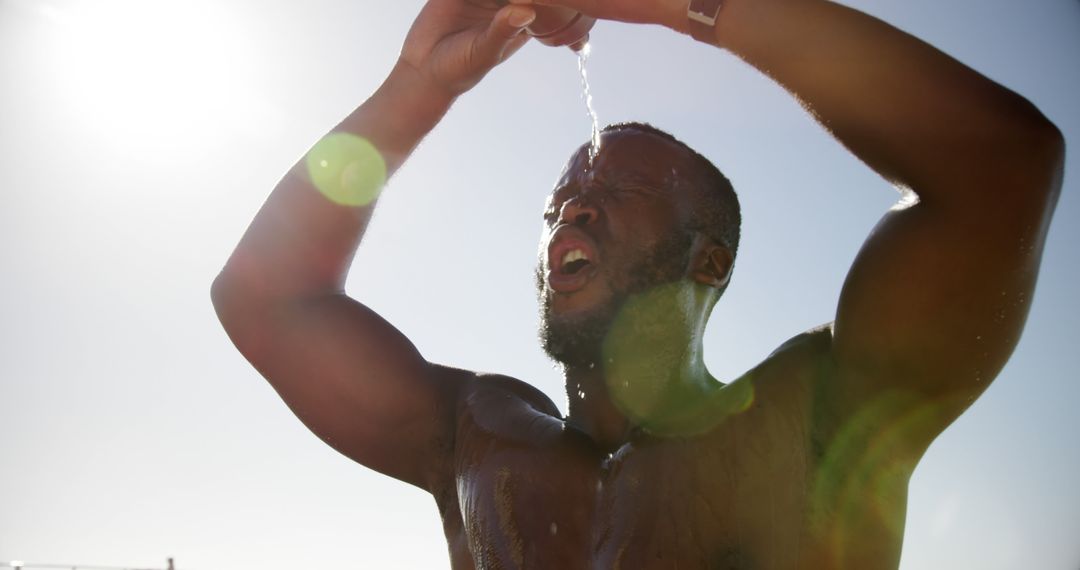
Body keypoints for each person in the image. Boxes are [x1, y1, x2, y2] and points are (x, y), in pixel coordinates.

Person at [210, 0, 1064, 567]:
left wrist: (684, 7)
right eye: (559, 206)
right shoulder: (477, 436)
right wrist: (421, 85)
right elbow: (263, 298)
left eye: (617, 193)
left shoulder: (820, 417)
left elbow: (1005, 167)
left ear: (710, 261)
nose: (573, 213)